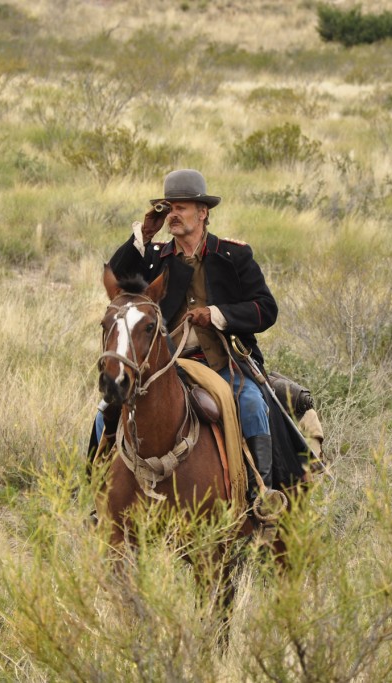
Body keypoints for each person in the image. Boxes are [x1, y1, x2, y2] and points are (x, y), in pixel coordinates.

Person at [105, 169, 279, 499]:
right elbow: (114, 279)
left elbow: (265, 309)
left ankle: (260, 494)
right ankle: (99, 492)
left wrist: (216, 315)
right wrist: (143, 234)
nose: (172, 214)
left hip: (222, 364)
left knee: (254, 405)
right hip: (165, 364)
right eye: (168, 207)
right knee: (108, 409)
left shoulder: (233, 256)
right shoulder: (155, 257)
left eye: (181, 207)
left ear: (203, 213)